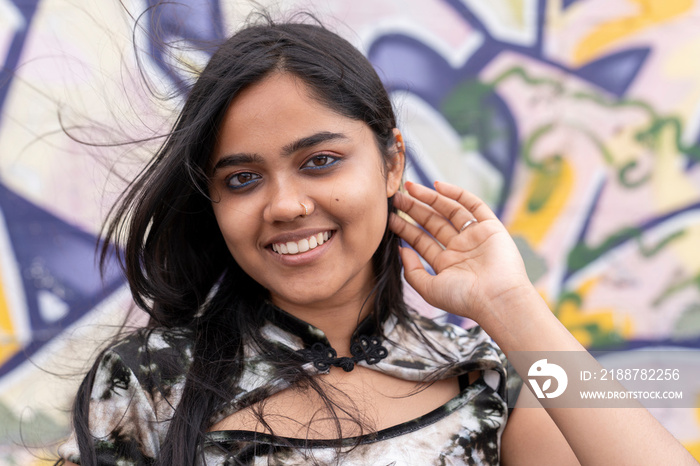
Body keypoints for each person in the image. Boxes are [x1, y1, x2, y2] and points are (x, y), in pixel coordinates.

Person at [55, 15, 697, 466]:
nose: (285, 205)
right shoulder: (148, 380)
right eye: (243, 178)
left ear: (392, 162)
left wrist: (512, 306)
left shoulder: (481, 375)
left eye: (320, 161)